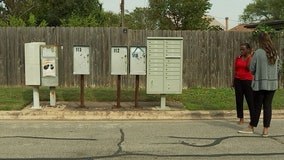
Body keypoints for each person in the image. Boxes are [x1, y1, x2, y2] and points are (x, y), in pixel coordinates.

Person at [238, 32, 282, 137]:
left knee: (257, 106)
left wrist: (257, 71)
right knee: (268, 106)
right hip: (272, 84)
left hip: (260, 84)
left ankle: (251, 127)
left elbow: (251, 68)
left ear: (260, 41)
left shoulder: (258, 52)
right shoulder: (274, 52)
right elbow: (279, 67)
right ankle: (265, 130)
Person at [231, 43, 254, 125]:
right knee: (239, 100)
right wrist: (233, 81)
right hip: (238, 80)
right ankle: (241, 118)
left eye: (243, 49)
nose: (241, 51)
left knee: (250, 100)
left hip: (248, 81)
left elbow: (248, 68)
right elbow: (235, 70)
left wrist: (250, 56)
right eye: (240, 49)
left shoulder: (251, 58)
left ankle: (253, 119)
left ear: (248, 50)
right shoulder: (238, 58)